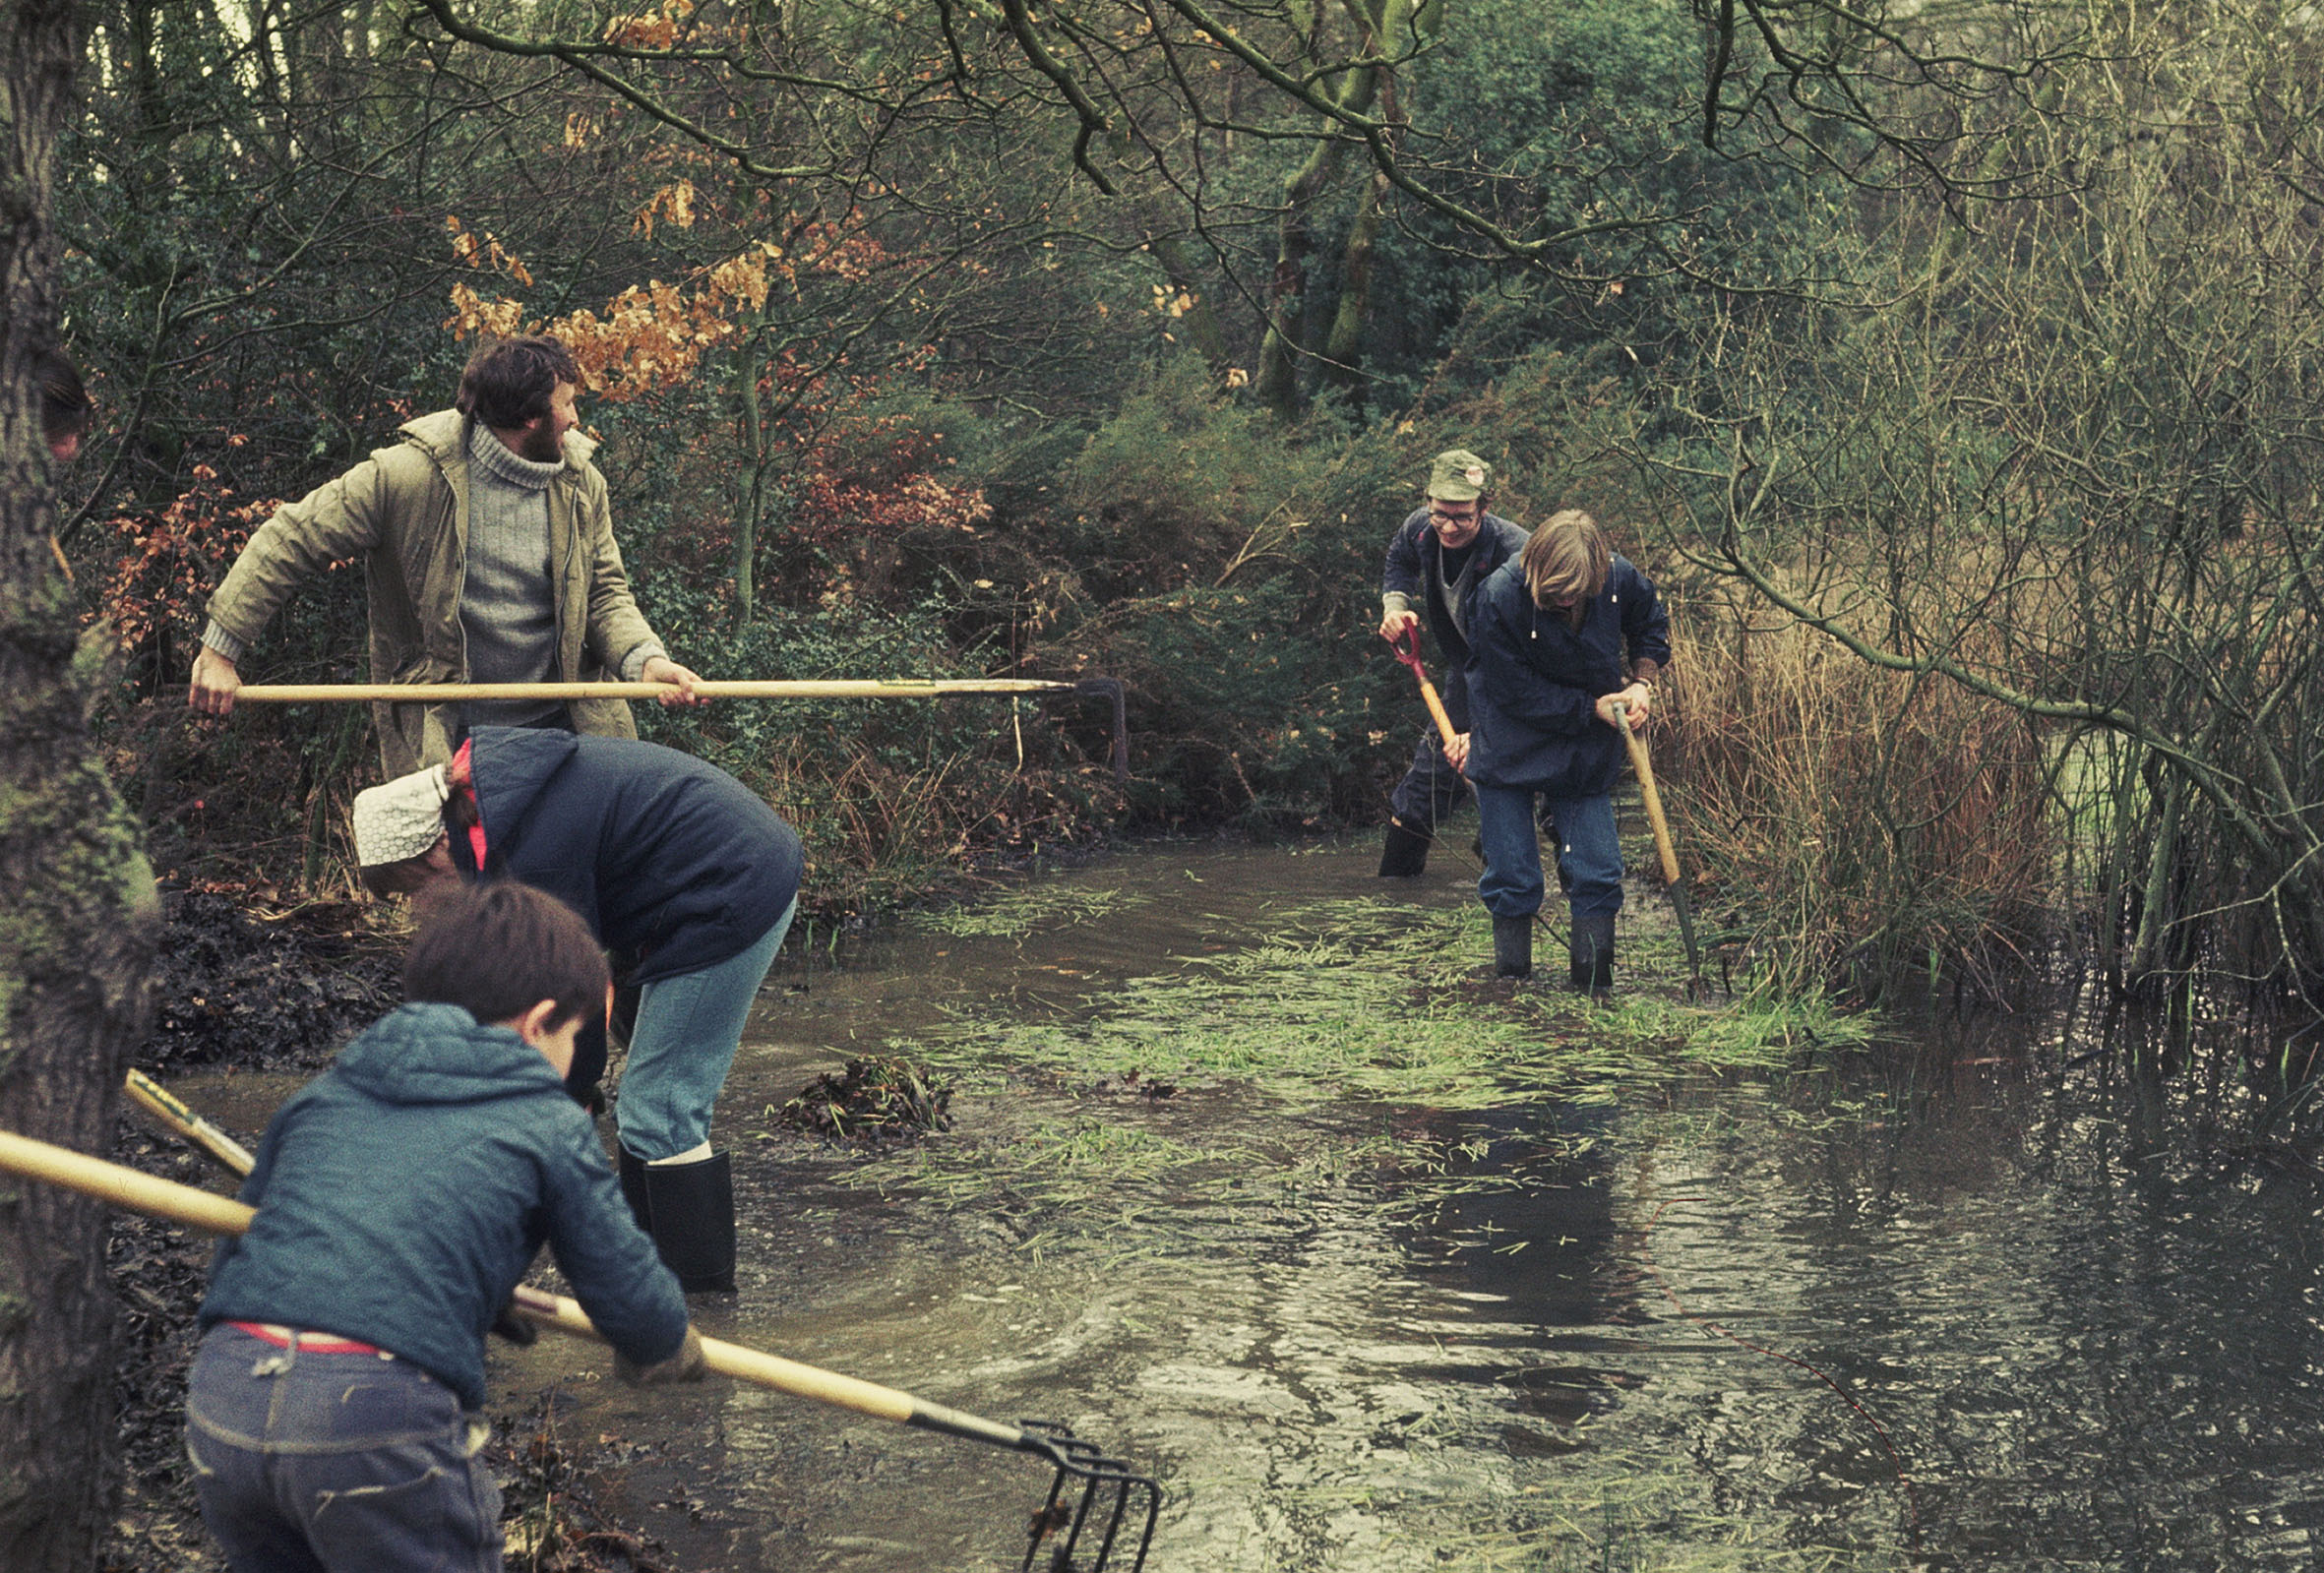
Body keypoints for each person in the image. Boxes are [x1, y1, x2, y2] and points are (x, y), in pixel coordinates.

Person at [186, 880, 707, 1573]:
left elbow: (245, 1249)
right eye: (576, 1037)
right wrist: (668, 1342)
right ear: (539, 1021)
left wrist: (470, 1290)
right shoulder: (546, 1120)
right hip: (371, 1415)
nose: (571, 1058)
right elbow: (625, 1289)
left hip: (226, 1399)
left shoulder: (326, 1095)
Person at [353, 725, 804, 1293]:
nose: (420, 904)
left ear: (437, 845)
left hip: (731, 890)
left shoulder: (531, 845)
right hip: (682, 893)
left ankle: (699, 1308)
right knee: (646, 1104)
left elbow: (573, 988)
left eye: (412, 886)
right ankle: (652, 1271)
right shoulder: (497, 802)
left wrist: (571, 1101)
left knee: (659, 1108)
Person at [186, 333, 706, 774]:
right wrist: (219, 651)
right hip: (454, 736)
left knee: (575, 884)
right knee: (468, 889)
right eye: (566, 403)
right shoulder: (404, 478)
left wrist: (646, 661)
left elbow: (604, 594)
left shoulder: (580, 483)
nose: (575, 418)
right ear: (528, 418)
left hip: (566, 727)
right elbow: (289, 538)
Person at [1462, 510, 1670, 991]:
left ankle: (1595, 989)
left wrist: (1642, 682)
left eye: (1577, 591)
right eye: (1555, 590)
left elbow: (1651, 624)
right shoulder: (1497, 595)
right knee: (1514, 879)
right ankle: (1511, 990)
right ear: (1535, 567)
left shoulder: (1618, 577)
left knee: (1597, 873)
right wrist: (1590, 708)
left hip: (1584, 745)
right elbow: (1511, 690)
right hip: (1509, 741)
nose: (1566, 599)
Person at [1375, 448, 1530, 877]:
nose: (1448, 526)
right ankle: (1396, 901)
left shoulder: (1517, 554)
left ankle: (1525, 890)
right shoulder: (1420, 529)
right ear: (1428, 501)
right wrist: (1395, 606)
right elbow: (1399, 561)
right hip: (1463, 677)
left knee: (1500, 791)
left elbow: (1535, 651)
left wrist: (1480, 733)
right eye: (1440, 513)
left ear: (1485, 506)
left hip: (1516, 686)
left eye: (1462, 516)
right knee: (1423, 789)